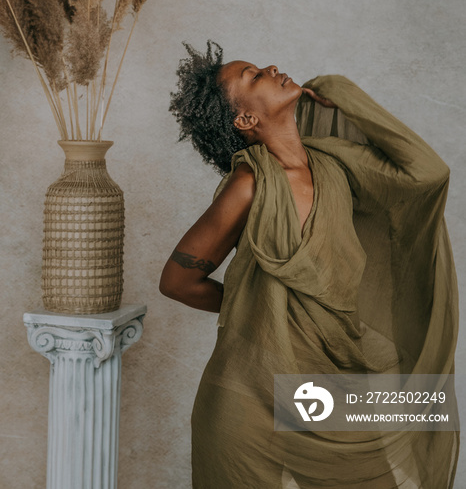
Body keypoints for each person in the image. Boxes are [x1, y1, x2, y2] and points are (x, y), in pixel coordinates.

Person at [160, 41, 460, 489]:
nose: (272, 68)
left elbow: (428, 173)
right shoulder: (248, 184)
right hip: (247, 397)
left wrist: (341, 92)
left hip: (326, 384)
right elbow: (177, 281)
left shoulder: (334, 165)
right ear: (245, 120)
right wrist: (252, 313)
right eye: (254, 76)